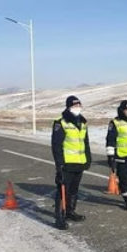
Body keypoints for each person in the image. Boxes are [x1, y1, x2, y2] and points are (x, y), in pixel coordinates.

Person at [51, 95, 91, 230]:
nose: (77, 108)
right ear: (68, 107)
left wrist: (88, 159)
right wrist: (59, 165)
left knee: (74, 190)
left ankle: (70, 211)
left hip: (79, 163)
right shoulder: (60, 122)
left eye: (79, 106)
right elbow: (56, 145)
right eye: (74, 106)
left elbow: (85, 143)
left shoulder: (83, 122)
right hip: (66, 164)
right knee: (62, 190)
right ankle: (59, 217)